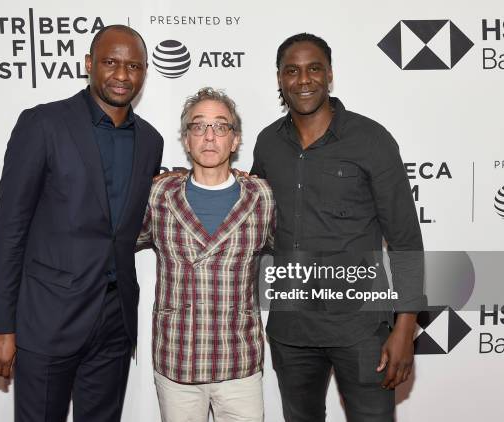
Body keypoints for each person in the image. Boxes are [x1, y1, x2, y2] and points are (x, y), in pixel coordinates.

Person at [0, 25, 163, 422]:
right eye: (111, 62)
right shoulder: (43, 124)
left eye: (133, 65)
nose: (122, 75)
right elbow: (10, 230)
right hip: (48, 318)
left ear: (144, 72)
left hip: (116, 320)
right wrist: (1, 326)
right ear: (89, 65)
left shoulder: (151, 141)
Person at [251, 33, 425, 421]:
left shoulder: (371, 140)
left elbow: (405, 239)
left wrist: (405, 327)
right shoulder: (267, 144)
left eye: (314, 68)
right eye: (291, 70)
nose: (303, 79)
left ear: (329, 74)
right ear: (279, 79)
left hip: (360, 330)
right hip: (291, 329)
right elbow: (250, 215)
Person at [137, 87, 275, 422]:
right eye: (198, 127)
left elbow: (293, 248)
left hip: (238, 361)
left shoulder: (261, 197)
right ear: (186, 140)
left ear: (235, 140)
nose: (209, 136)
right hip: (177, 360)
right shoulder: (159, 194)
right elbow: (115, 239)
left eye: (221, 127)